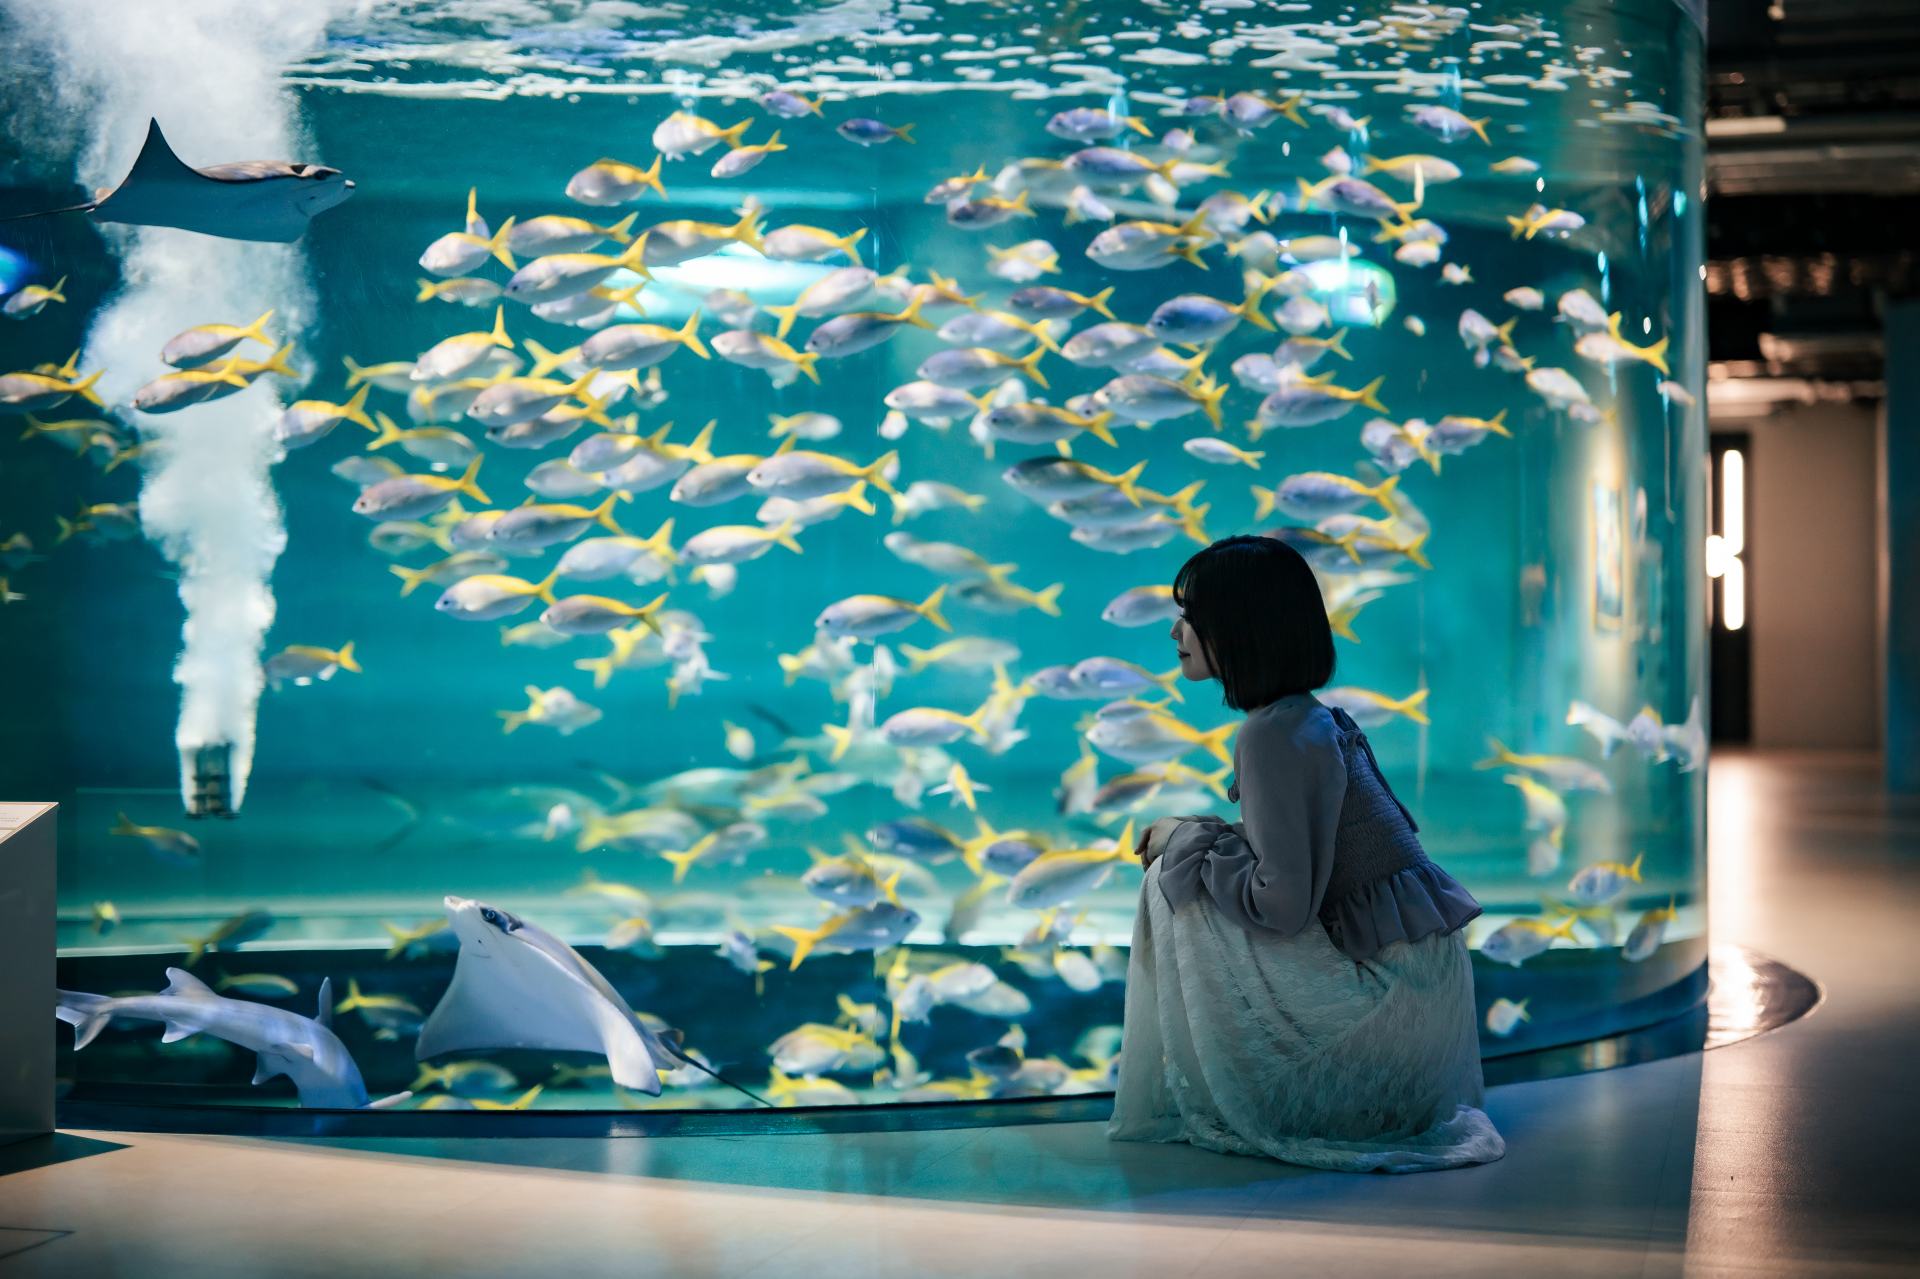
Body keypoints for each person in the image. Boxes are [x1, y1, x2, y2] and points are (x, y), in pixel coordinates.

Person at [1106, 534, 1505, 1173]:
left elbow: (1282, 905)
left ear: (1243, 627)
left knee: (1169, 880)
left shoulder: (1269, 734)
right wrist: (1200, 833)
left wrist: (1183, 840)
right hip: (1423, 1016)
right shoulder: (1314, 717)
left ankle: (1235, 1096)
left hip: (1382, 1017)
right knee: (1190, 857)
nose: (1176, 630)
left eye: (1194, 616)